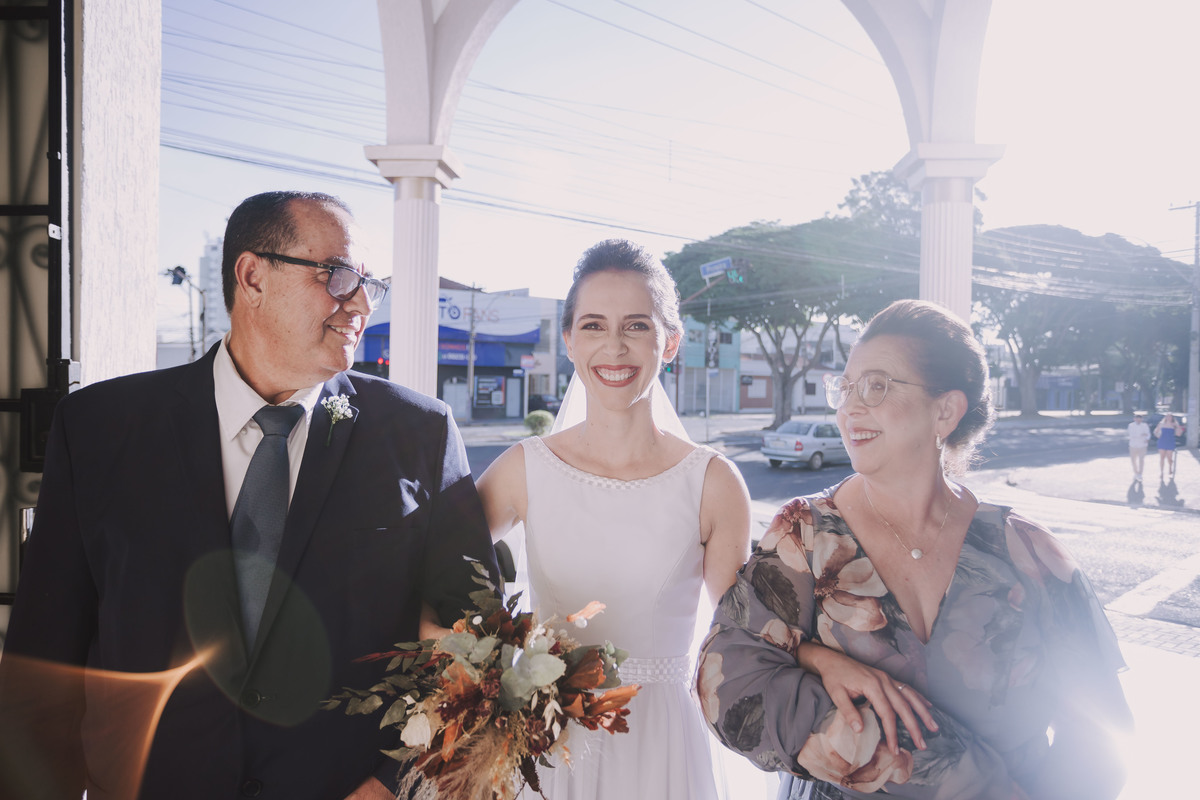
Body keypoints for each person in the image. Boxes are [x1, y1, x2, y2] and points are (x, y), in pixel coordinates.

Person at [0, 191, 500, 800]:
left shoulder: (420, 432)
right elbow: (44, 658)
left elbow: (476, 637)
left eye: (371, 284)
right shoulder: (101, 428)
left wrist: (394, 780)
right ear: (253, 276)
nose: (363, 303)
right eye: (339, 275)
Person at [698, 300, 1132, 800]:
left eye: (876, 386)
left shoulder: (1030, 552)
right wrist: (963, 780)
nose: (849, 408)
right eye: (845, 388)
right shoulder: (805, 533)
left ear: (944, 411)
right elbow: (725, 681)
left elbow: (1103, 734)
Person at [476, 239, 752, 800]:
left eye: (637, 326)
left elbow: (745, 636)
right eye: (594, 326)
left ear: (669, 342)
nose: (615, 346)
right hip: (552, 739)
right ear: (569, 341)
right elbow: (438, 575)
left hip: (662, 742)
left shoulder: (714, 482)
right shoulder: (523, 469)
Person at [1154, 412, 1183, 482]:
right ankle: (1161, 472)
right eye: (1168, 416)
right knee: (1162, 458)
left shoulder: (1174, 425)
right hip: (1162, 442)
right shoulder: (1161, 424)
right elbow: (1155, 431)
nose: (1169, 418)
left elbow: (1179, 434)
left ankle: (1170, 468)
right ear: (1165, 417)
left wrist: (1177, 426)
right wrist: (1158, 436)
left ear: (1172, 418)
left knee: (1169, 458)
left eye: (1170, 416)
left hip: (1170, 442)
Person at [1127, 411, 1151, 482]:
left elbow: (1148, 434)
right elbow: (1132, 435)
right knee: (1133, 460)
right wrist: (1142, 435)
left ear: (1141, 419)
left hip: (1142, 445)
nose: (1138, 420)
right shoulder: (1131, 425)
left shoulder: (1145, 425)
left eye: (1140, 419)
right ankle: (1136, 473)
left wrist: (1147, 438)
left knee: (1141, 460)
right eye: (1137, 419)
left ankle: (1140, 474)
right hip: (1133, 445)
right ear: (1134, 419)